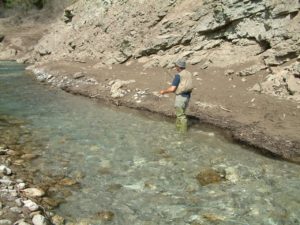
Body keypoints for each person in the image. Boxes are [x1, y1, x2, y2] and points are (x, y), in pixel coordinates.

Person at [160, 60, 193, 133]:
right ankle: (178, 129)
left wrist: (164, 92)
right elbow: (184, 83)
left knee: (181, 115)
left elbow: (172, 89)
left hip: (181, 97)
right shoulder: (189, 73)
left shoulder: (178, 76)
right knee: (181, 113)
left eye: (176, 66)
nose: (175, 67)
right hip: (187, 96)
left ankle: (183, 133)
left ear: (178, 67)